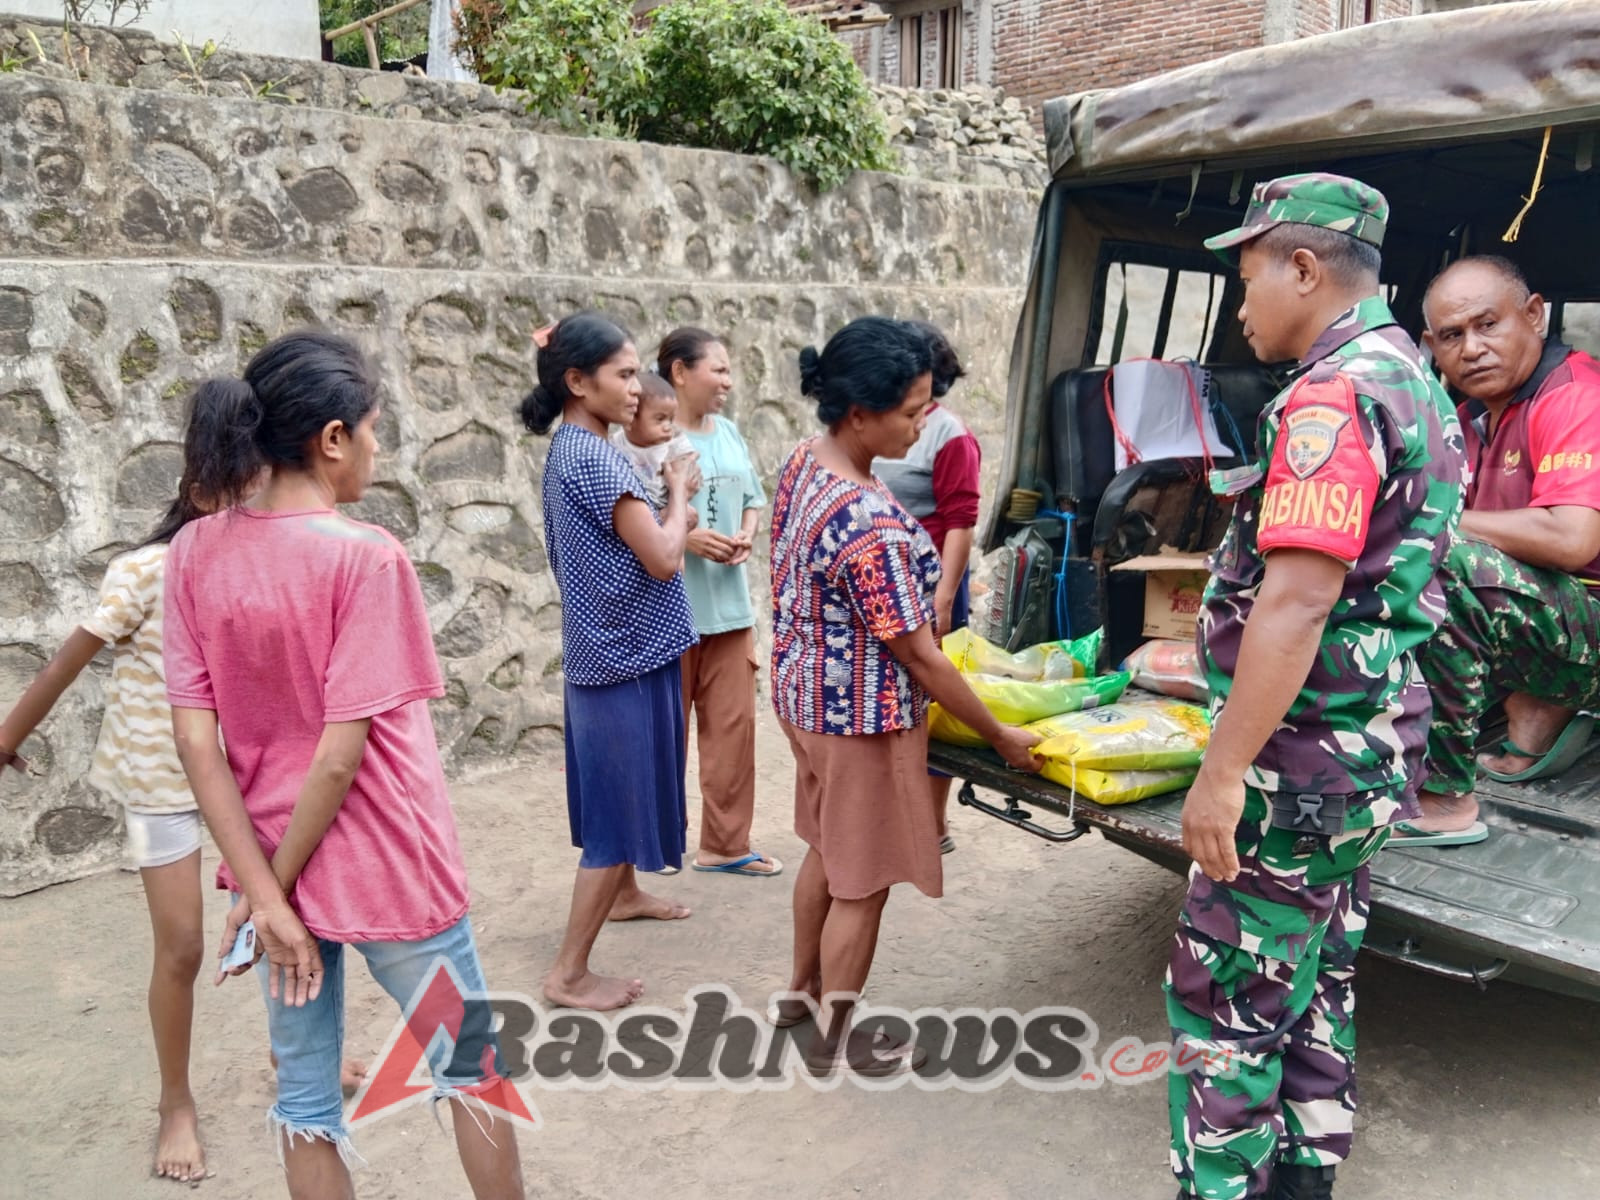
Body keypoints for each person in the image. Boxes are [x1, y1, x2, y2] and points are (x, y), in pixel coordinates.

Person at [163, 330, 525, 1199]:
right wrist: (272, 894)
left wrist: (264, 899)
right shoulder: (366, 556)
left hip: (272, 868)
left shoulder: (194, 551)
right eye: (372, 428)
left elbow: (195, 744)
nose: (377, 448)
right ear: (332, 439)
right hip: (392, 867)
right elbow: (337, 757)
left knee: (306, 1098)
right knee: (470, 1068)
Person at [1172, 175, 1465, 1200]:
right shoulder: (1415, 382)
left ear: (1302, 267)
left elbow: (1292, 606)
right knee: (1315, 973)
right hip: (1371, 752)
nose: (1239, 300)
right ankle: (1303, 1178)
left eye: (1246, 271)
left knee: (1226, 1002)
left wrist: (1220, 773)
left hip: (1298, 760)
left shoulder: (1331, 398)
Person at [768, 316, 1042, 1077]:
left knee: (826, 848)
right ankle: (834, 1035)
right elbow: (920, 654)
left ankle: (799, 993)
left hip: (803, 694)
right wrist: (1000, 734)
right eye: (913, 411)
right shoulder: (873, 523)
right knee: (863, 882)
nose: (924, 425)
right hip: (858, 718)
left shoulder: (804, 463)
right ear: (860, 413)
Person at [0, 417, 263, 1183]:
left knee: (286, 921)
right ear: (197, 493)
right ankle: (174, 1103)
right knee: (181, 944)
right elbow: (66, 661)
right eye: (232, 495)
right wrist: (7, 735)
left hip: (252, 778)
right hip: (160, 780)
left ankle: (297, 1051)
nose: (245, 511)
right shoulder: (147, 570)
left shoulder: (268, 561)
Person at [523, 312, 700, 1011]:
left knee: (619, 801)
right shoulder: (597, 459)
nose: (636, 389)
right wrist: (681, 492)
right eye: (623, 375)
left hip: (617, 649)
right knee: (611, 814)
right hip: (622, 659)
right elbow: (660, 557)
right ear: (576, 381)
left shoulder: (577, 448)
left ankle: (623, 894)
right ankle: (567, 973)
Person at [1395, 256, 1600, 846]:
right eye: (1453, 336)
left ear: (1534, 316)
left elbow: (1573, 538)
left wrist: (1440, 518)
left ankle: (1443, 799)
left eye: (1488, 325)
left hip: (1587, 620)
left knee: (1445, 555)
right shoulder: (1467, 419)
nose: (1472, 348)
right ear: (1432, 346)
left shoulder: (1574, 396)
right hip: (1554, 622)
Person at [657, 326, 781, 878]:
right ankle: (658, 847)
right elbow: (631, 524)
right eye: (719, 369)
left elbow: (752, 498)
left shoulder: (729, 431)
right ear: (680, 373)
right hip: (670, 612)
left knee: (733, 734)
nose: (728, 380)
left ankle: (726, 846)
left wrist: (748, 532)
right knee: (665, 738)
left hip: (730, 613)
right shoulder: (651, 441)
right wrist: (688, 537)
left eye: (730, 370)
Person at [872, 319, 982, 854]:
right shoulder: (879, 424)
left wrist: (943, 597)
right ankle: (896, 816)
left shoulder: (948, 433)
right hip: (885, 584)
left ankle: (933, 825)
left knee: (935, 700)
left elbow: (960, 521)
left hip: (932, 584)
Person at [609, 369, 699, 519]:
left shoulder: (673, 444)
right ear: (630, 421)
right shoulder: (615, 445)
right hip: (634, 512)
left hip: (667, 504)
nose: (667, 426)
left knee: (690, 515)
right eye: (660, 419)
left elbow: (689, 465)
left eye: (670, 419)